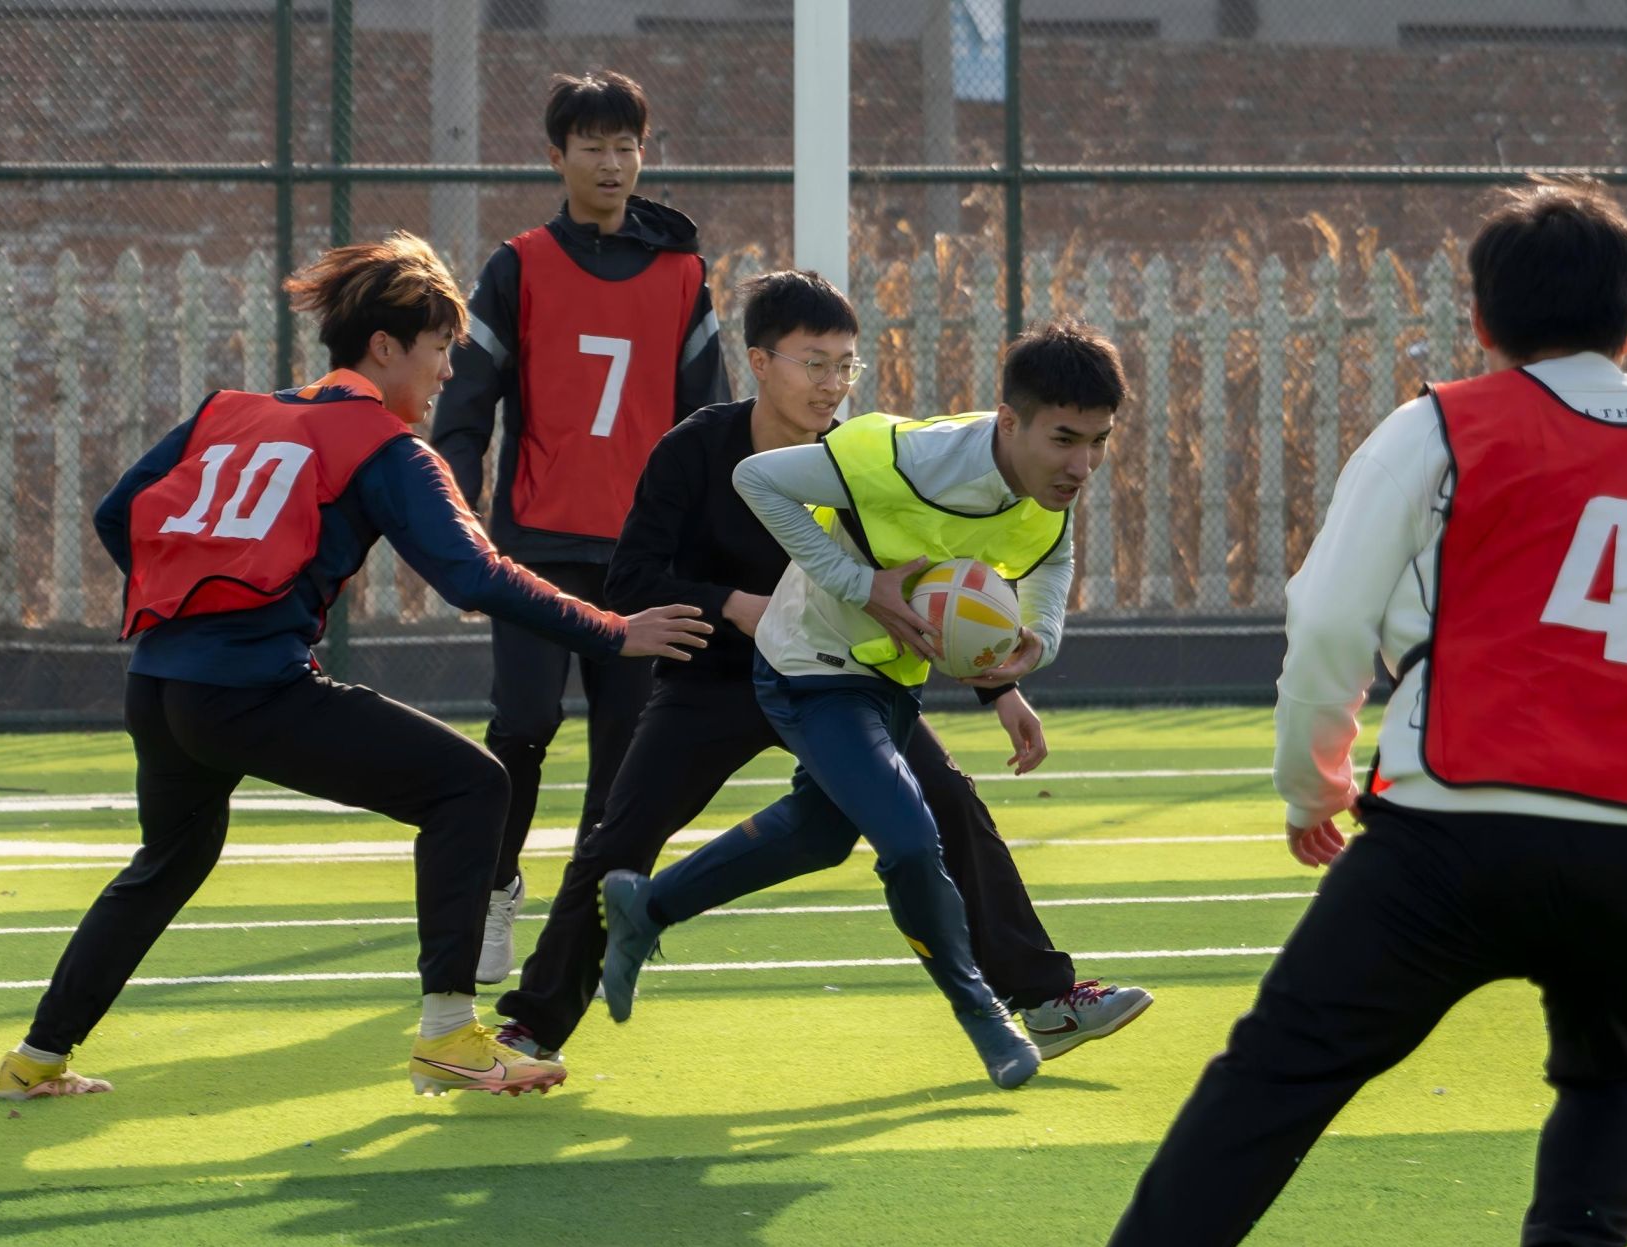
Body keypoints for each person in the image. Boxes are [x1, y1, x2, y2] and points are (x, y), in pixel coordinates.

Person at [1087, 182, 1627, 1247]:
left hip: (1449, 828)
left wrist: (1311, 782)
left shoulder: (1441, 422)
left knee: (1275, 1076)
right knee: (1622, 1069)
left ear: (1482, 321)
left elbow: (1328, 616)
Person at [0, 233, 709, 1104]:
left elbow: (120, 514)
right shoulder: (385, 447)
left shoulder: (229, 411)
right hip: (250, 690)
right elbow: (474, 576)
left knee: (169, 860)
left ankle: (35, 1056)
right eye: (440, 348)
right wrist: (613, 631)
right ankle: (450, 1035)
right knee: (473, 785)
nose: (448, 371)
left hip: (159, 683)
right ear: (384, 347)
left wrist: (197, 601)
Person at [491, 270, 1151, 1065]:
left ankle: (1044, 998)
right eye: (814, 363)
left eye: (845, 365)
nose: (833, 383)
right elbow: (631, 579)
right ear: (760, 363)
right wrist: (733, 604)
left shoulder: (873, 460)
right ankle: (533, 1025)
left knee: (949, 807)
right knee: (620, 836)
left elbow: (938, 577)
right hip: (715, 678)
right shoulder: (697, 449)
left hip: (840, 679)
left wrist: (1002, 682)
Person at [429, 69, 730, 987]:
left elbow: (710, 424)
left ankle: (584, 915)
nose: (611, 163)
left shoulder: (684, 276)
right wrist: (453, 517)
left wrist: (709, 549)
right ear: (555, 157)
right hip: (535, 546)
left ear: (644, 155)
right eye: (592, 146)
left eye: (626, 146)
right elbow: (464, 408)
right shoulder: (518, 266)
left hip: (644, 562)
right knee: (522, 724)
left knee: (626, 750)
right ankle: (495, 886)